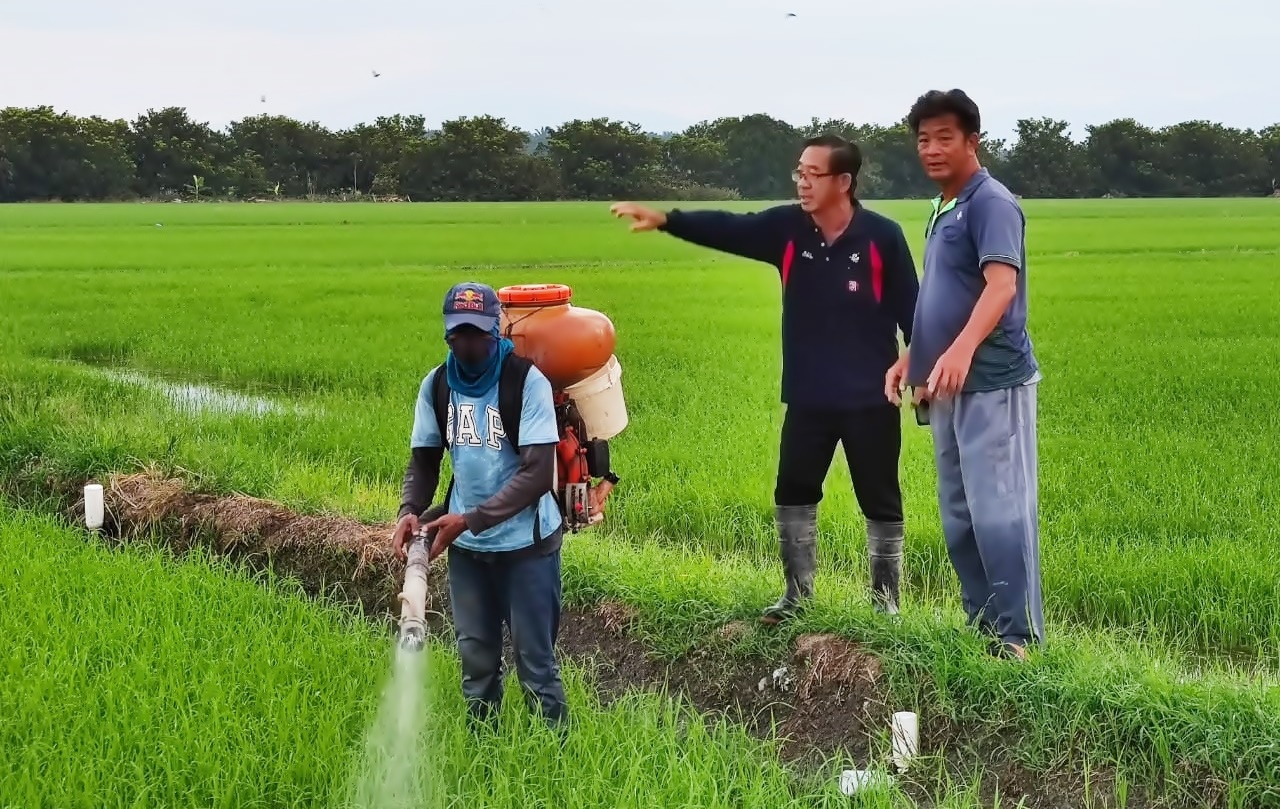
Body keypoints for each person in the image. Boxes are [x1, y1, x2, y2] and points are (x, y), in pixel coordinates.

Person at [611, 134, 920, 623]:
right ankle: (797, 596)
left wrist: (915, 362)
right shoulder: (789, 231)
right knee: (793, 490)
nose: (801, 182)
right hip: (809, 396)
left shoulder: (883, 237)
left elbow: (912, 311)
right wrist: (669, 220)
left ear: (844, 182)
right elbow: (733, 228)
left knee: (880, 496)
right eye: (799, 172)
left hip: (870, 397)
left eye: (812, 174)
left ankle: (886, 606)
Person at [885, 89, 1044, 661]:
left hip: (993, 380)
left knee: (998, 508)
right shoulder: (945, 206)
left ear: (972, 141)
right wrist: (916, 356)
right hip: (949, 383)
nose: (931, 149)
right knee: (959, 512)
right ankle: (981, 629)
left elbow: (1001, 285)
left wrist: (960, 350)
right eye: (923, 139)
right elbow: (942, 295)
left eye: (944, 137)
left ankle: (1016, 638)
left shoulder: (990, 202)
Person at [391, 281, 571, 726]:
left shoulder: (526, 383)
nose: (468, 344)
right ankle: (484, 755)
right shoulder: (436, 386)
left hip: (526, 548)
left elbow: (534, 475)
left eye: (477, 334)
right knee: (476, 665)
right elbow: (425, 460)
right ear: (448, 334)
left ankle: (555, 761)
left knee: (537, 668)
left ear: (497, 330)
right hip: (469, 553)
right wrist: (409, 509)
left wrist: (469, 520)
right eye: (458, 335)